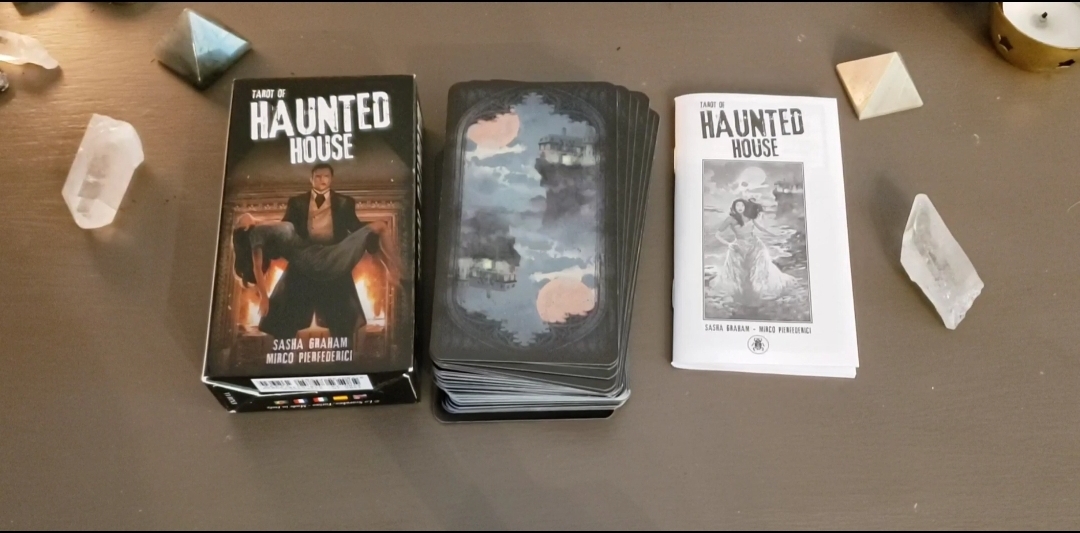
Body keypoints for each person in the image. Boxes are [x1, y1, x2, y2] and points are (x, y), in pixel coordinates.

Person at [232, 163, 401, 341]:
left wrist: (368, 239)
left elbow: (354, 226)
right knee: (285, 321)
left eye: (326, 176)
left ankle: (394, 269)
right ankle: (396, 269)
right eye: (318, 176)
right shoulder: (291, 206)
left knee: (343, 323)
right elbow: (263, 258)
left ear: (331, 179)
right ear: (311, 179)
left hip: (329, 255)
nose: (322, 180)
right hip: (307, 261)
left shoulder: (344, 202)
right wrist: (264, 296)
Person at [709, 198, 795, 302]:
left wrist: (774, 235)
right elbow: (717, 235)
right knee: (739, 271)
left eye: (742, 205)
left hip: (755, 244)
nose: (740, 208)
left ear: (745, 207)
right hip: (739, 246)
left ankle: (760, 289)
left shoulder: (749, 217)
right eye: (737, 205)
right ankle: (743, 293)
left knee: (760, 267)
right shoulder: (730, 219)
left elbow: (761, 228)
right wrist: (729, 244)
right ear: (734, 207)